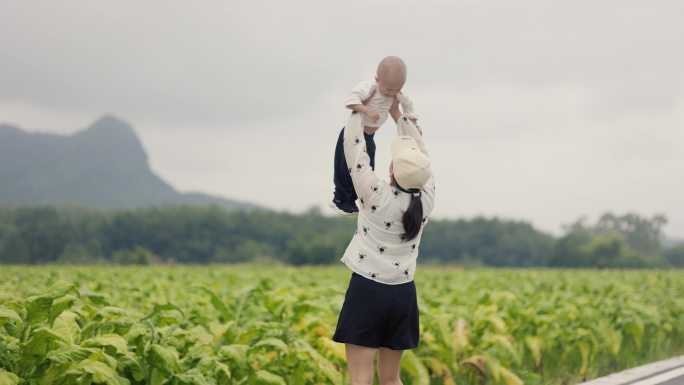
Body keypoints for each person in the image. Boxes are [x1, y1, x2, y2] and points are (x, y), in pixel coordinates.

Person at [332, 97, 435, 385]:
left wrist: (358, 110)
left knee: (361, 379)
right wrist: (398, 113)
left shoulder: (375, 194)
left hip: (367, 290)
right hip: (403, 295)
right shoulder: (426, 200)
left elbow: (354, 150)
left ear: (391, 171)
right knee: (391, 379)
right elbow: (421, 155)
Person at [329, 56, 419, 216]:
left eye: (397, 89)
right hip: (354, 134)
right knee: (345, 167)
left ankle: (352, 201)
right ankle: (339, 200)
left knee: (366, 168)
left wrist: (414, 124)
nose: (392, 93)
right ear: (378, 79)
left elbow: (409, 108)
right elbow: (350, 101)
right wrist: (366, 110)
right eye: (388, 89)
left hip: (369, 137)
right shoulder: (369, 87)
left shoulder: (398, 95)